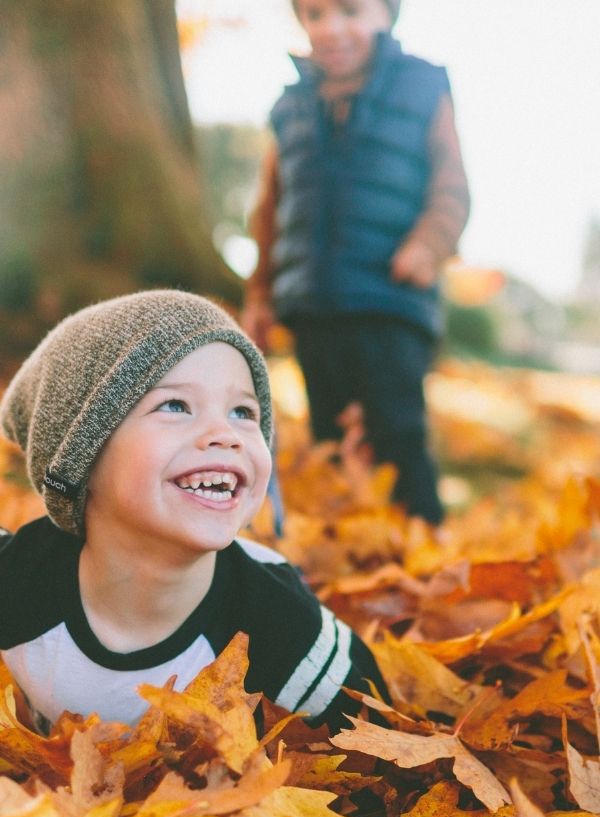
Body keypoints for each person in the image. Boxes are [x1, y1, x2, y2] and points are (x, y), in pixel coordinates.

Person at [0, 289, 388, 735]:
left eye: (243, 411)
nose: (225, 434)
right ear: (79, 459)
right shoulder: (21, 579)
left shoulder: (281, 630)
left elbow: (376, 734)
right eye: (175, 405)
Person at [243, 0, 470, 525]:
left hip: (389, 298)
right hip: (313, 301)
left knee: (396, 429)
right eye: (315, 14)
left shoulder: (422, 85)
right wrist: (260, 294)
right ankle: (350, 542)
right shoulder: (290, 105)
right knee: (329, 434)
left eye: (350, 10)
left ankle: (422, 538)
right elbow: (270, 208)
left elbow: (452, 186)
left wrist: (428, 246)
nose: (332, 28)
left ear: (388, 14)